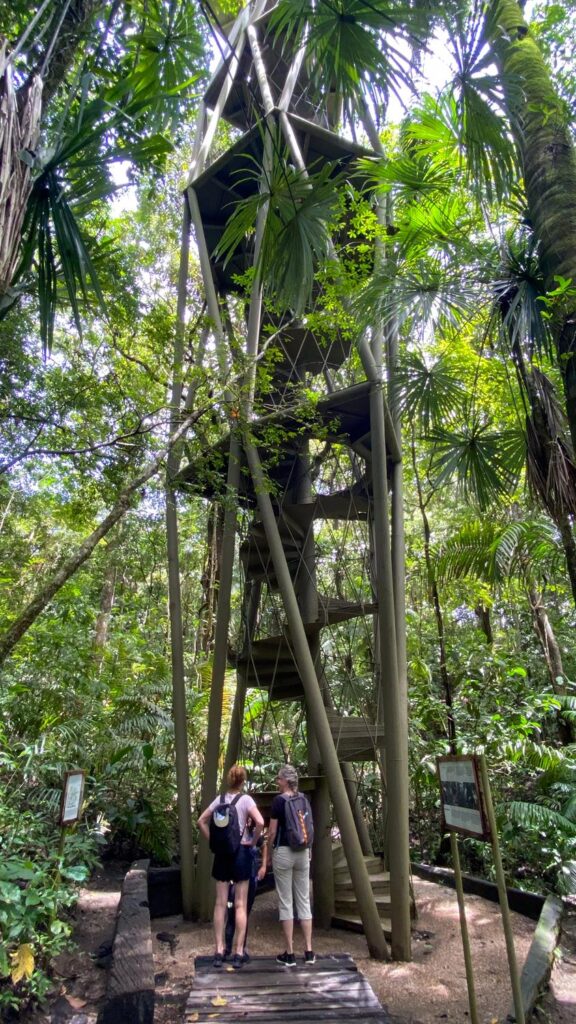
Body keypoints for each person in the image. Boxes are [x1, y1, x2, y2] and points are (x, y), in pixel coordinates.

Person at [198, 764, 264, 970]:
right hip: (241, 853)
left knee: (219, 904)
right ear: (243, 781)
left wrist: (213, 843)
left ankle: (219, 950)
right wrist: (251, 842)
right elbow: (260, 822)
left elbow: (201, 821)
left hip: (222, 855)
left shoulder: (219, 800)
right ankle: (237, 952)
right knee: (240, 905)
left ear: (229, 780)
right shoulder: (246, 800)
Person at [268, 764, 315, 966]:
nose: (277, 782)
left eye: (279, 779)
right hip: (303, 852)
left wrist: (268, 850)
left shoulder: (279, 801)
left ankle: (289, 953)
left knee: (286, 902)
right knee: (303, 900)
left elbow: (272, 832)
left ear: (286, 781)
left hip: (284, 853)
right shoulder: (303, 799)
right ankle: (309, 951)